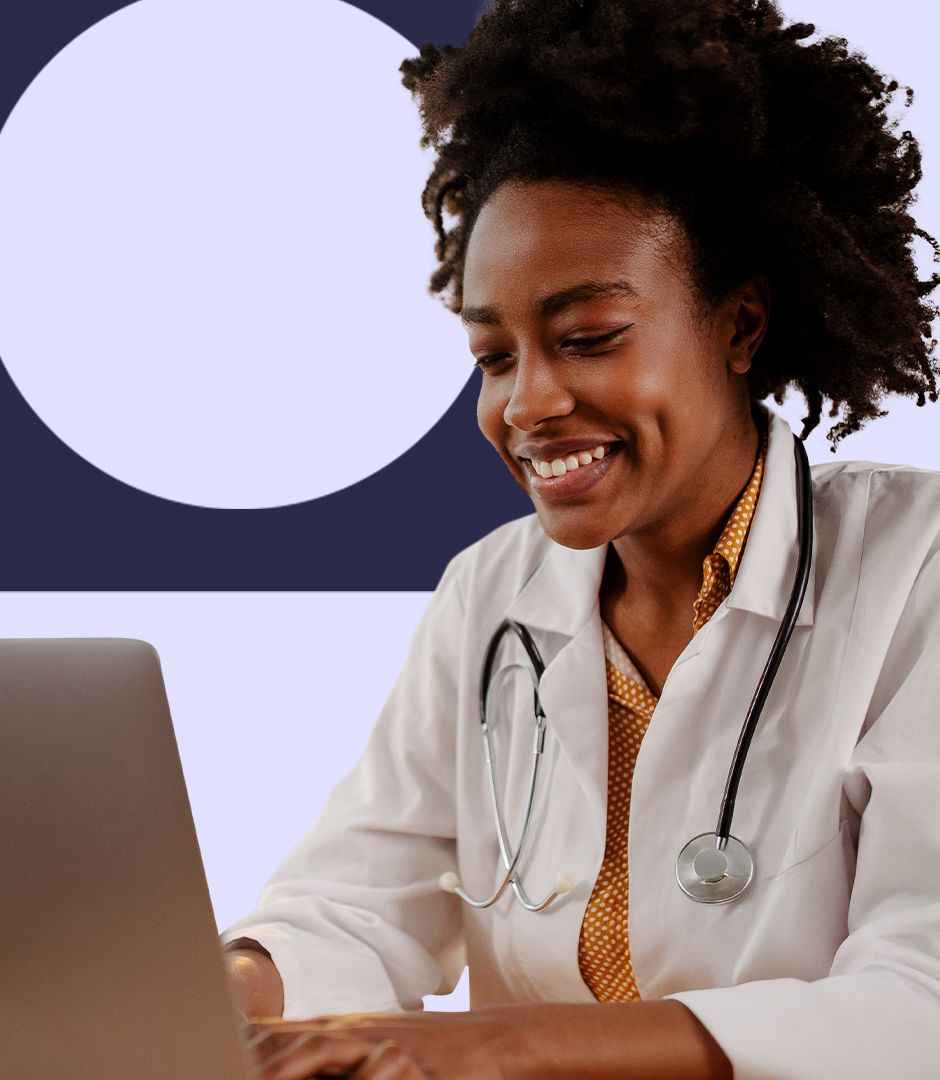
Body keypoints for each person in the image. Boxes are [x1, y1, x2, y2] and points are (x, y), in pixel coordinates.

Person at [221, 1, 940, 1076]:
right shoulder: (491, 591)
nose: (528, 403)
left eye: (587, 339)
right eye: (494, 355)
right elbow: (356, 905)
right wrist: (205, 996)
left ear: (739, 324)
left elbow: (917, 1001)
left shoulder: (913, 566)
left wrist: (491, 1045)